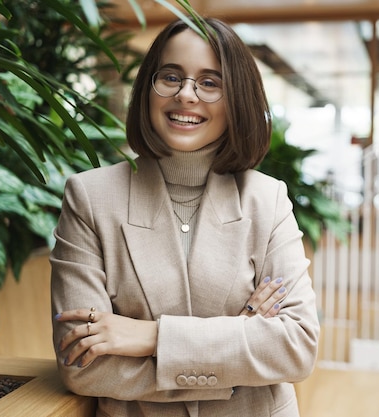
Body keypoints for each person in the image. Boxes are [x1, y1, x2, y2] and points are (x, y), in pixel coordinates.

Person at [51, 16, 320, 417]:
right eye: (171, 77)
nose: (187, 95)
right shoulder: (90, 197)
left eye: (210, 83)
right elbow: (84, 366)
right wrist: (241, 340)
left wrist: (151, 337)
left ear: (237, 100)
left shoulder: (268, 200)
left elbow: (296, 348)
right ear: (148, 88)